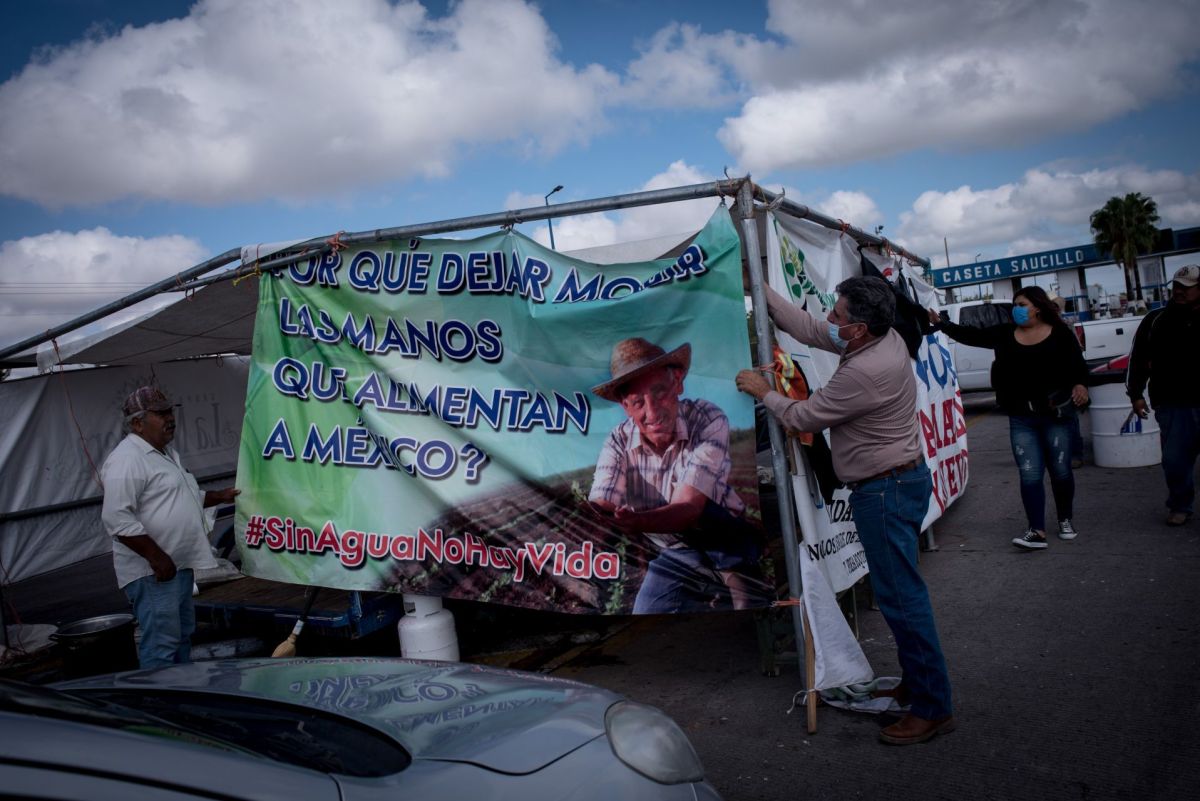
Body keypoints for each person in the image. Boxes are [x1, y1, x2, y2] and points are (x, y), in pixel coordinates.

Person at [736, 276, 954, 746]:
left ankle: (933, 707)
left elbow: (802, 417)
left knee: (904, 602)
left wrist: (762, 390)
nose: (830, 320)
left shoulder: (866, 370)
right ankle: (919, 687)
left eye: (839, 316)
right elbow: (813, 329)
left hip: (885, 491)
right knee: (904, 595)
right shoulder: (881, 335)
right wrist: (759, 290)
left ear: (858, 330)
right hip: (897, 483)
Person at [589, 337, 770, 614]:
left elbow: (690, 510)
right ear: (625, 407)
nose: (652, 412)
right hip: (675, 549)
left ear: (678, 383)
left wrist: (637, 521)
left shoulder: (707, 418)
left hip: (725, 539)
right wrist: (592, 512)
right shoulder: (617, 441)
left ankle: (739, 581)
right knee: (647, 610)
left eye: (660, 392)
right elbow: (602, 504)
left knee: (746, 609)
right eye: (638, 403)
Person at [929, 286, 1089, 549]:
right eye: (1016, 304)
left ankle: (1065, 519)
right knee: (1029, 474)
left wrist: (1080, 386)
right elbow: (971, 335)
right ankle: (1036, 530)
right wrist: (942, 324)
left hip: (1055, 416)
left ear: (1038, 307)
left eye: (1022, 304)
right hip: (1021, 418)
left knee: (1060, 471)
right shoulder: (1005, 333)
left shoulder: (1060, 334)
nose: (1017, 308)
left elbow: (1078, 368)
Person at [101, 386, 240, 668]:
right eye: (160, 413)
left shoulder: (164, 453)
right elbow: (116, 517)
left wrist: (221, 496)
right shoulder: (127, 459)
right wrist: (157, 557)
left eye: (170, 411)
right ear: (137, 423)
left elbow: (184, 496)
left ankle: (182, 693)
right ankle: (159, 704)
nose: (170, 418)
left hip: (177, 565)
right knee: (162, 643)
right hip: (154, 573)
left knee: (182, 636)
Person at [1126, 264, 1200, 526]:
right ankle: (1180, 504)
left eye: (1187, 288)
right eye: (1177, 286)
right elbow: (1137, 360)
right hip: (1173, 404)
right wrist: (1135, 394)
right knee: (1175, 461)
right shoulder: (1156, 320)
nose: (1180, 292)